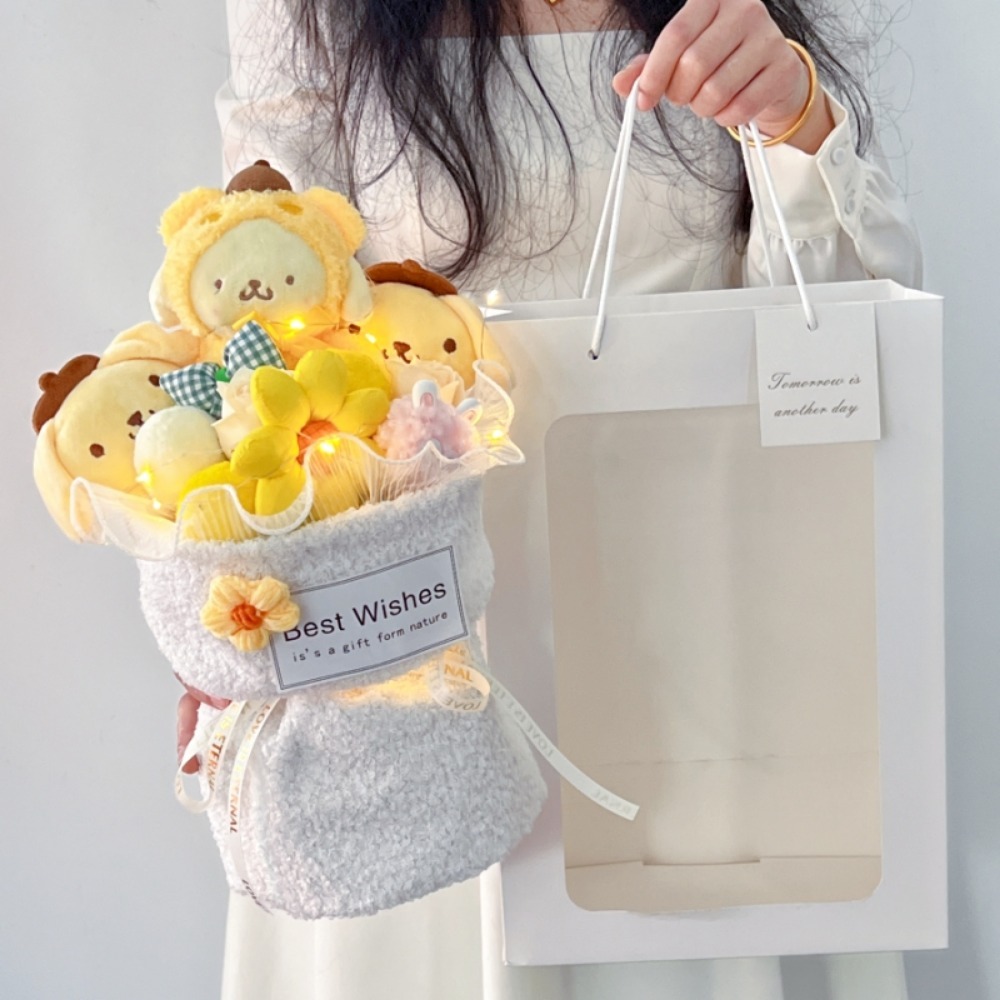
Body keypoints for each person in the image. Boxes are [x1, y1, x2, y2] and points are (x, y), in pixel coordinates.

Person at [182, 0, 920, 996]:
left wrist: (793, 121)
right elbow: (260, 320)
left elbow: (848, 359)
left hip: (700, 636)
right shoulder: (307, 14)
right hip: (425, 651)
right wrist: (239, 587)